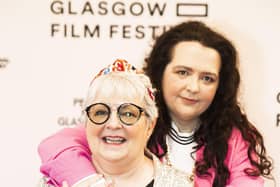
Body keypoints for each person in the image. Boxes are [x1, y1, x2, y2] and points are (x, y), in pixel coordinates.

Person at [38, 21, 272, 187]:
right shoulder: (130, 118)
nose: (193, 87)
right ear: (160, 72)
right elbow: (56, 146)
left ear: (220, 86)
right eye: (183, 72)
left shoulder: (234, 139)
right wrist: (86, 181)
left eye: (207, 78)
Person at [38, 59, 192, 187]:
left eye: (128, 114)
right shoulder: (54, 183)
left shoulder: (180, 184)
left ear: (150, 125)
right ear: (86, 122)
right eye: (100, 112)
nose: (113, 124)